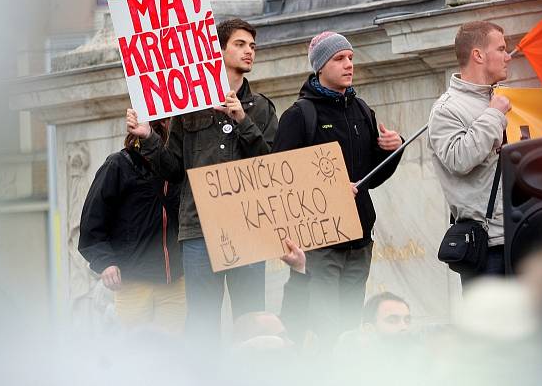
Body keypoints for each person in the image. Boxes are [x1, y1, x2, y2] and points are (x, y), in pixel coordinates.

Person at [126, 18, 278, 342]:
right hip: (199, 229)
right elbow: (172, 169)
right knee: (202, 324)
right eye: (240, 44)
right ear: (218, 50)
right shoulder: (189, 107)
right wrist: (148, 137)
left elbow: (271, 165)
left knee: (251, 323)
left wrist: (242, 119)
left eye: (252, 46)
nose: (249, 51)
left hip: (249, 227)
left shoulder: (262, 108)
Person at [272, 31, 404, 344]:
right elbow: (279, 178)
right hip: (320, 243)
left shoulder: (361, 110)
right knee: (325, 326)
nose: (348, 65)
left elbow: (373, 177)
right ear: (320, 66)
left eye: (350, 58)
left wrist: (392, 150)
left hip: (359, 239)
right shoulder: (299, 115)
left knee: (350, 327)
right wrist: (330, 190)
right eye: (339, 59)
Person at [79, 118, 186, 332]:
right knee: (133, 356)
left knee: (174, 356)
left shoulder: (180, 169)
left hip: (175, 280)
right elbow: (92, 222)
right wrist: (105, 262)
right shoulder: (118, 165)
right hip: (132, 281)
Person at [427, 20, 512, 284]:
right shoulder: (446, 110)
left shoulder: (501, 100)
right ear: (478, 55)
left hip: (521, 237)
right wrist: (494, 115)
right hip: (487, 249)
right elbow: (459, 158)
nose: (508, 56)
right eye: (501, 49)